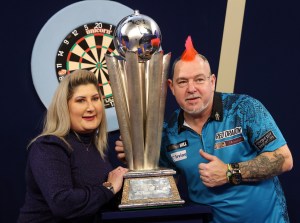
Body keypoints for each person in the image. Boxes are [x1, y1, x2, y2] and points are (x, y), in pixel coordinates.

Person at [115, 36, 293, 223]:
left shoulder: (244, 108)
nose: (191, 89)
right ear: (171, 87)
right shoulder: (169, 133)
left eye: (199, 80)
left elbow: (283, 159)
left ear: (212, 81)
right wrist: (136, 158)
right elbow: (165, 184)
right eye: (182, 82)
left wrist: (229, 172)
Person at [19, 69, 128, 223]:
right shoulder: (49, 146)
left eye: (95, 98)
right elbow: (63, 204)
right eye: (81, 100)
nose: (91, 107)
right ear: (65, 107)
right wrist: (109, 187)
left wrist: (132, 168)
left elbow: (102, 202)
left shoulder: (95, 148)